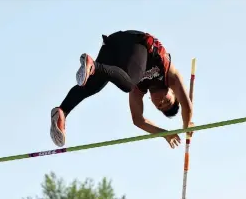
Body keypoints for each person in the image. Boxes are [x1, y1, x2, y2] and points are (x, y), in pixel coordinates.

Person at [50, 30, 193, 148]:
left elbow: (138, 120)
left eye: (160, 106)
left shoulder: (140, 90)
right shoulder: (170, 76)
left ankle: (62, 112)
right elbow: (187, 107)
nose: (161, 101)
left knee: (93, 87)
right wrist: (187, 126)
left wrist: (164, 133)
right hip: (136, 42)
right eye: (167, 101)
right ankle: (94, 66)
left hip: (112, 47)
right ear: (173, 92)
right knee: (129, 84)